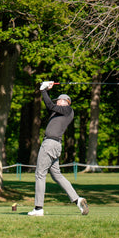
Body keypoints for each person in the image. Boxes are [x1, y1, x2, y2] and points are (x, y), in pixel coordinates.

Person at [29, 81, 89, 217]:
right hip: (55, 145)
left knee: (40, 174)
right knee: (56, 174)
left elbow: (50, 105)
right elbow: (49, 105)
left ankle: (38, 209)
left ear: (65, 101)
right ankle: (77, 200)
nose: (56, 103)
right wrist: (45, 90)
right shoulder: (58, 112)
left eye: (58, 101)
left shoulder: (68, 110)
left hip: (50, 144)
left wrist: (43, 90)